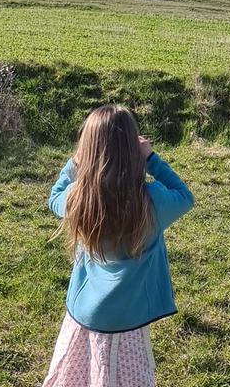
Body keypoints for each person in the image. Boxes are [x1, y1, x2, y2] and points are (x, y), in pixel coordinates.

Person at [44, 105, 194, 386]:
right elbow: (185, 196)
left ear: (87, 151)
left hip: (85, 313)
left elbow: (55, 196)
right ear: (133, 151)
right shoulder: (152, 202)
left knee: (80, 374)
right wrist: (151, 159)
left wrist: (76, 163)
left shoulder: (80, 201)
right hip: (130, 319)